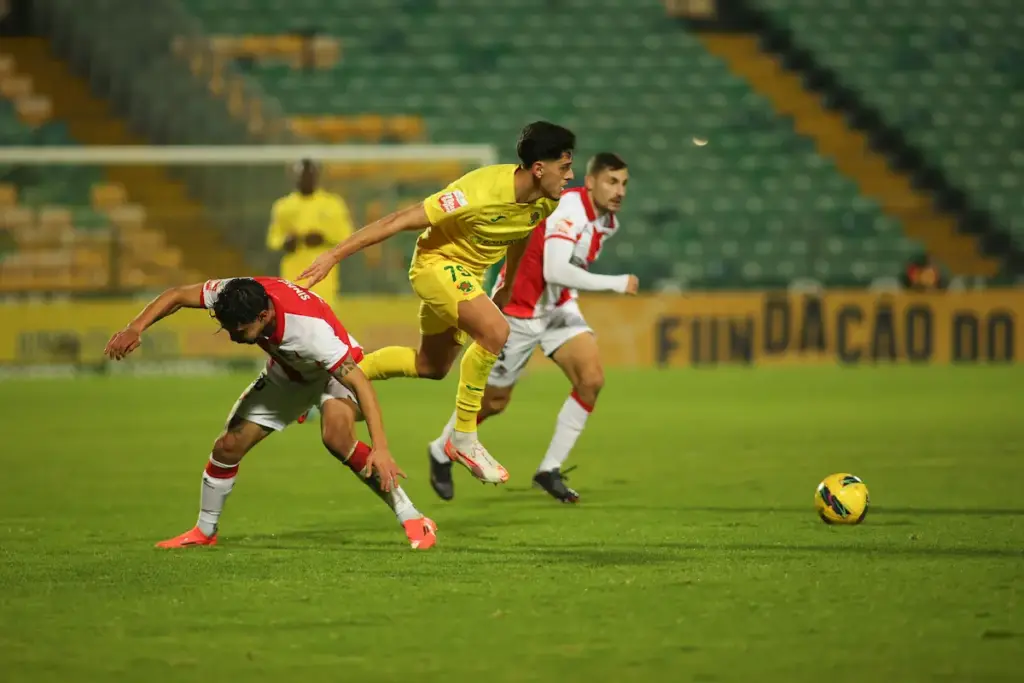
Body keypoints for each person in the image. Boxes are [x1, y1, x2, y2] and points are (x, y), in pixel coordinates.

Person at [300, 121, 577, 486]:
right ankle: (462, 437)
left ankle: (328, 379)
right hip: (436, 266)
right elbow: (400, 220)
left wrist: (506, 287)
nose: (570, 176)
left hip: (468, 277)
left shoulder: (546, 201)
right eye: (565, 167)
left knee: (431, 365)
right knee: (496, 332)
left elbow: (520, 232)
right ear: (539, 168)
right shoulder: (477, 191)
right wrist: (334, 255)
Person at [103, 277, 438, 550]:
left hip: (331, 372)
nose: (233, 336)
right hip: (288, 374)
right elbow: (176, 294)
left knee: (337, 437)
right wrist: (136, 328)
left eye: (239, 330)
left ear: (263, 317)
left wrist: (380, 448)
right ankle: (204, 532)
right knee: (227, 448)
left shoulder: (310, 333)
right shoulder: (233, 292)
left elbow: (361, 385)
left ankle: (412, 516)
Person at [427, 153, 638, 503]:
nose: (619, 191)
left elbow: (559, 275)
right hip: (520, 311)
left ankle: (549, 470)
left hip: (557, 309)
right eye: (611, 182)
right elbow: (554, 270)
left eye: (624, 184)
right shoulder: (570, 210)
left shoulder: (605, 220)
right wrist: (617, 283)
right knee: (494, 402)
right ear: (591, 182)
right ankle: (441, 448)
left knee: (591, 380)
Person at [266, 159, 354, 309]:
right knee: (293, 313)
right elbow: (273, 238)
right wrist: (286, 242)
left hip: (323, 271)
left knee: (322, 315)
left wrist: (324, 238)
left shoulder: (332, 204)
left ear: (317, 176)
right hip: (293, 270)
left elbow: (347, 235)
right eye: (302, 175)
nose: (305, 178)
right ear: (294, 176)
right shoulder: (283, 206)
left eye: (309, 175)